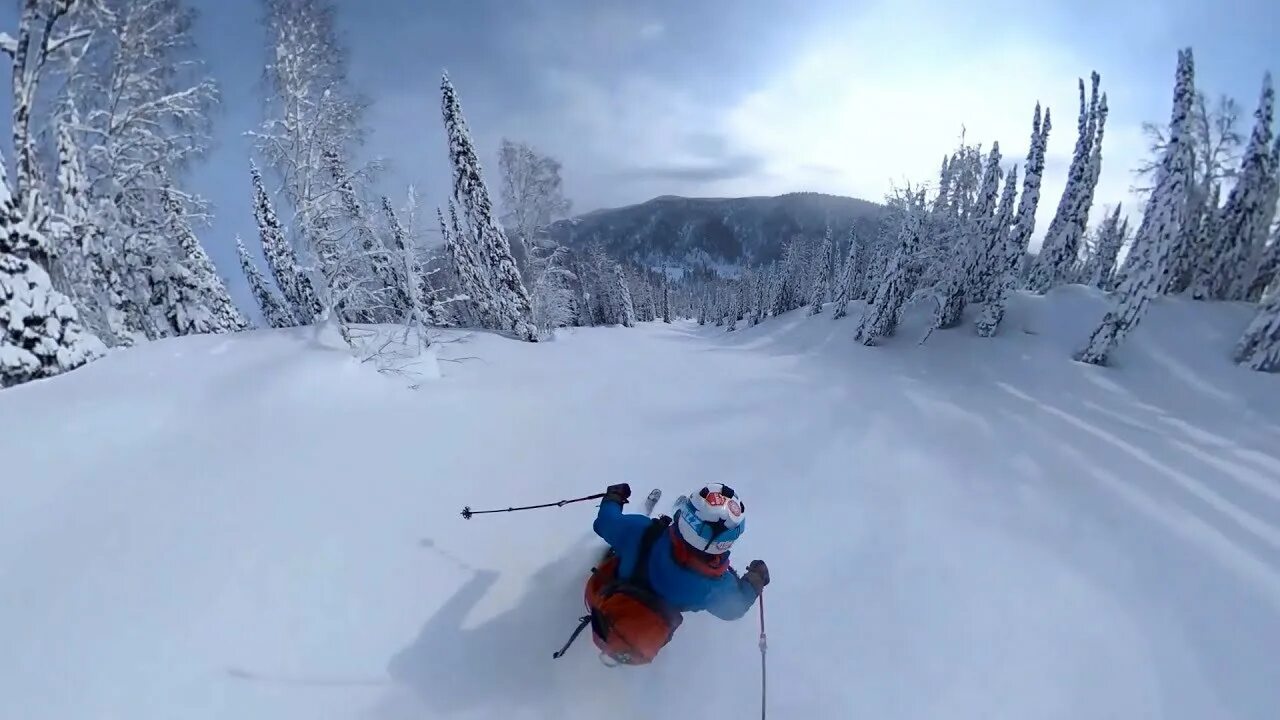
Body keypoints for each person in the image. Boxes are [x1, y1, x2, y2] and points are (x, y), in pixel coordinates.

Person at [592, 481, 769, 622]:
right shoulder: (714, 586)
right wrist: (756, 579)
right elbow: (736, 608)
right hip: (651, 621)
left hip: (608, 602)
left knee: (619, 549)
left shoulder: (640, 531)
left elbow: (604, 523)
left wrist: (613, 497)